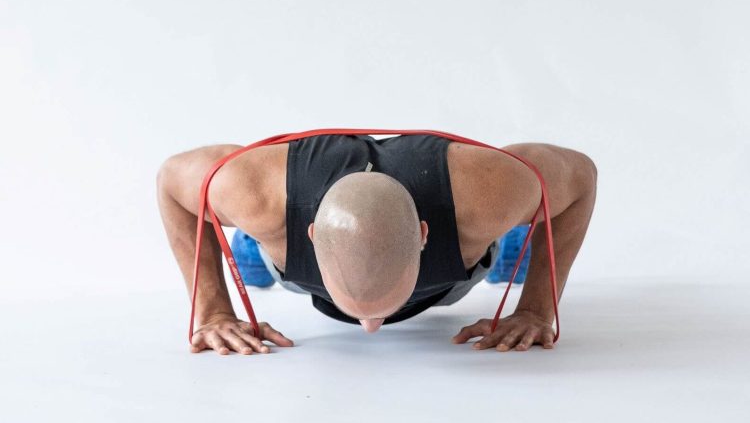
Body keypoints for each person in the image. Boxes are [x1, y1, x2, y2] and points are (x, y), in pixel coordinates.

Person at [156, 133, 597, 355]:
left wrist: (537, 307)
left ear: (425, 234)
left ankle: (508, 250)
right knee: (259, 253)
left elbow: (580, 177)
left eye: (381, 311)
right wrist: (212, 309)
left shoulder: (489, 193)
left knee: (506, 244)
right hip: (289, 260)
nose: (373, 329)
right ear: (312, 234)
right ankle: (258, 254)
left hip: (463, 257)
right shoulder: (257, 194)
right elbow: (172, 182)